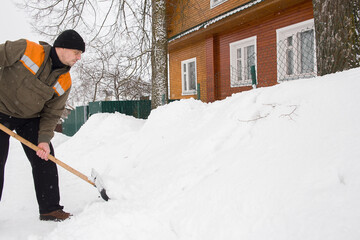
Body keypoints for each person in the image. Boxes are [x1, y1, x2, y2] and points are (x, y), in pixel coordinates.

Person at [0, 30, 85, 221]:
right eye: (77, 52)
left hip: (30, 118)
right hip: (1, 108)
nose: (79, 58)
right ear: (62, 47)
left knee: (45, 158)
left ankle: (50, 209)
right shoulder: (27, 49)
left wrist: (44, 140)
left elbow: (52, 113)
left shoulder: (64, 80)